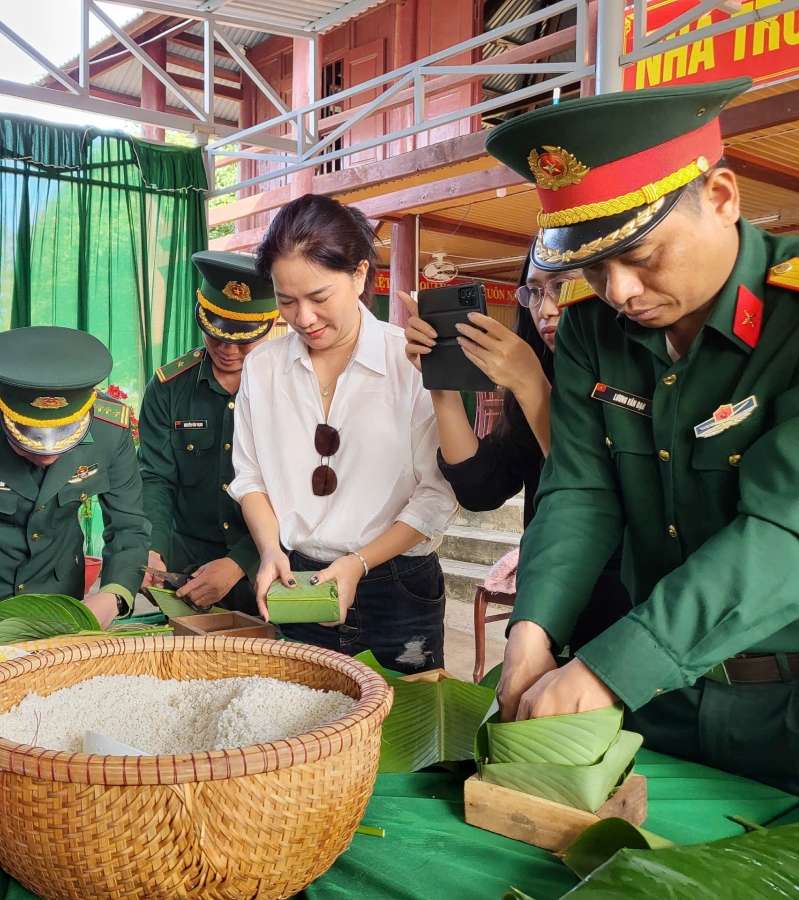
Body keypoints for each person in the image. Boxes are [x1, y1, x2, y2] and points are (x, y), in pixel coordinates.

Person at [486, 76, 799, 793]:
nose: (619, 291)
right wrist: (532, 631)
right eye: (592, 266)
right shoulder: (596, 335)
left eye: (642, 255)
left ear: (721, 197)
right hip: (660, 702)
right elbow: (580, 488)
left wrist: (611, 664)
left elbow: (785, 529)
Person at [229, 194, 459, 674]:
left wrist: (358, 563)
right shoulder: (263, 367)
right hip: (298, 580)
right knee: (303, 735)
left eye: (318, 298)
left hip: (398, 588)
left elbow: (437, 497)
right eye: (286, 300)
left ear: (358, 275)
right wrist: (271, 550)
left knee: (406, 733)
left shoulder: (411, 362)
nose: (303, 318)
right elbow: (250, 477)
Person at [402, 256, 631, 651]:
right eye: (535, 291)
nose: (546, 309)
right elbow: (482, 489)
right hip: (554, 602)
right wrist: (440, 379)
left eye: (563, 286)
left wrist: (530, 383)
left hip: (628, 610)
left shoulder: (639, 379)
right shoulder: (544, 373)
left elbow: (602, 504)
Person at [0, 325, 151, 636]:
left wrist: (112, 596)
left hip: (60, 603)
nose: (47, 456)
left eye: (64, 441)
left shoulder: (110, 430)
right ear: (0, 407)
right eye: (26, 440)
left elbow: (129, 525)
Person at [137, 251, 276, 613]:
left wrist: (238, 563)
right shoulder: (168, 387)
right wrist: (153, 548)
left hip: (267, 564)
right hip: (186, 569)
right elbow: (156, 478)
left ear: (270, 323)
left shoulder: (289, 388)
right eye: (216, 335)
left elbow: (298, 490)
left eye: (243, 338)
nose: (228, 349)